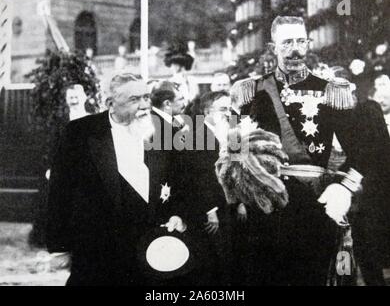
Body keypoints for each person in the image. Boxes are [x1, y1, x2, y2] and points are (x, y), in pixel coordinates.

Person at [233, 15, 385, 285]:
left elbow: (362, 152)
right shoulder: (250, 91)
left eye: (301, 41)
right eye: (287, 42)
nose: (295, 49)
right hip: (266, 205)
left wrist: (343, 188)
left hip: (315, 203)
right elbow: (234, 150)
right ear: (272, 47)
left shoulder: (331, 91)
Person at [46, 72, 187, 286]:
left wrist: (178, 213)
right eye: (134, 99)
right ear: (110, 103)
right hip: (97, 250)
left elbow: (180, 179)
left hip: (151, 249)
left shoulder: (166, 131)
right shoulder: (80, 132)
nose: (144, 105)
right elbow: (60, 191)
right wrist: (59, 247)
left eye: (146, 97)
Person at [180, 90, 233, 285]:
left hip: (223, 203)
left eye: (229, 108)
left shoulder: (221, 131)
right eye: (222, 109)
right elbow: (199, 176)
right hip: (209, 208)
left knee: (222, 258)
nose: (227, 113)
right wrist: (211, 211)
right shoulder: (198, 134)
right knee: (212, 260)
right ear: (206, 111)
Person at [351, 73, 390, 285]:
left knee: (364, 250)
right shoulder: (369, 113)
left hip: (365, 195)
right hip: (366, 195)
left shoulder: (365, 114)